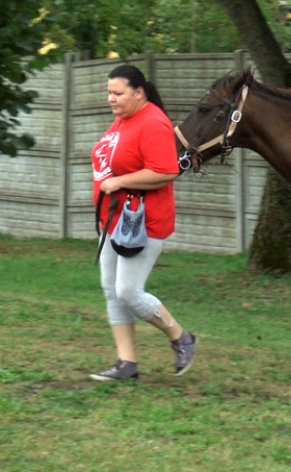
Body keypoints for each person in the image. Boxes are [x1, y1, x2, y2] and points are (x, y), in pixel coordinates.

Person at [89, 64, 197, 381]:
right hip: (114, 219)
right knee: (112, 290)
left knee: (128, 291)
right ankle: (127, 363)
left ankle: (181, 337)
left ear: (139, 92)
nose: (111, 98)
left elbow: (166, 171)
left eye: (118, 93)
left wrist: (119, 181)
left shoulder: (153, 123)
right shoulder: (124, 119)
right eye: (109, 92)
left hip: (142, 223)